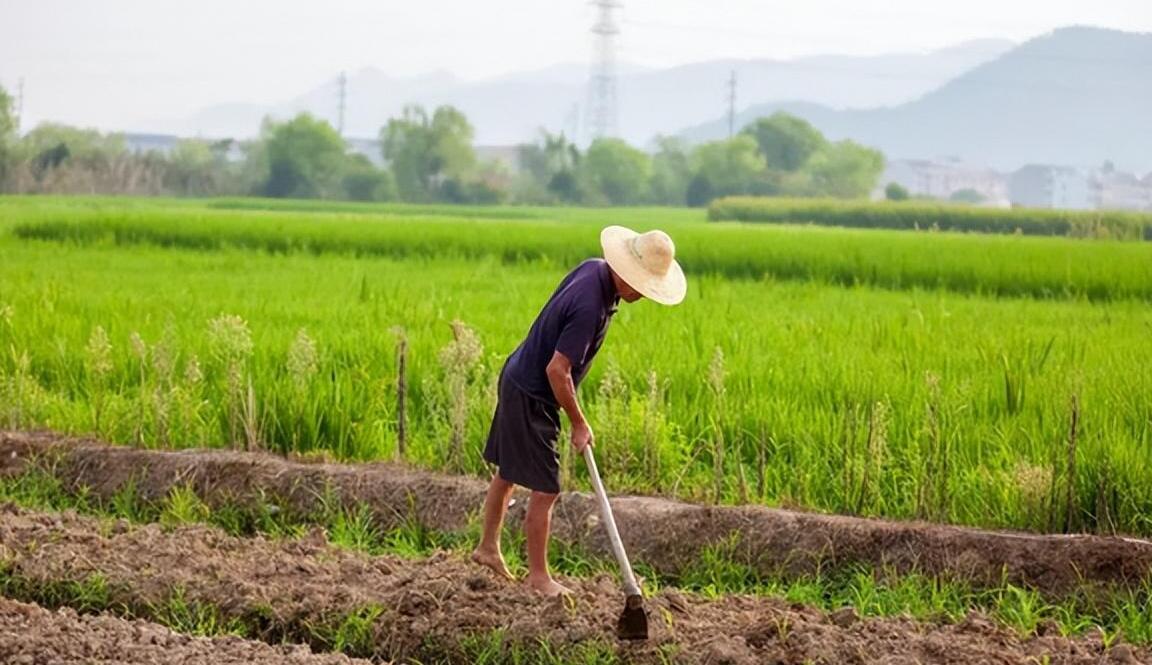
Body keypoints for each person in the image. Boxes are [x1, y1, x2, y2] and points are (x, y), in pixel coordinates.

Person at [470, 225, 686, 596]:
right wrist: (578, 423)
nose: (643, 295)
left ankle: (488, 549)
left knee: (508, 473)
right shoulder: (591, 307)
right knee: (546, 489)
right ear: (627, 274)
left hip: (517, 376)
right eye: (644, 286)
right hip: (533, 394)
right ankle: (538, 579)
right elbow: (558, 370)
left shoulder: (593, 269)